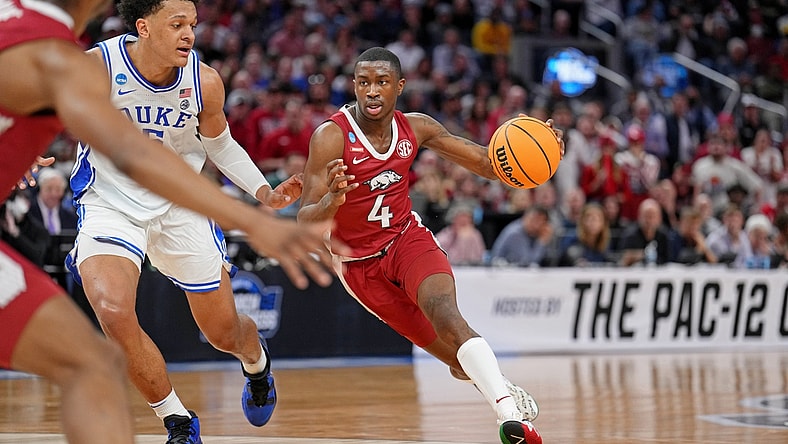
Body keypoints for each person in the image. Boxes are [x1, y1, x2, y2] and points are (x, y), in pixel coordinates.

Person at [0, 1, 338, 443]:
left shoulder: (205, 82)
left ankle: (256, 365)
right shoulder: (93, 65)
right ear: (144, 26)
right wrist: (21, 143)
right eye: (177, 24)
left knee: (224, 333)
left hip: (182, 206)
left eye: (192, 25)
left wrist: (263, 193)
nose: (188, 34)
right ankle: (177, 420)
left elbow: (221, 146)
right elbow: (102, 138)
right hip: (111, 203)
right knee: (112, 309)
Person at [297, 47, 563, 444]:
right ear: (353, 86)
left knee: (447, 316)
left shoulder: (417, 127)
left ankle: (511, 419)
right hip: (359, 265)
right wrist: (331, 202)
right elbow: (304, 221)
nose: (372, 91)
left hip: (407, 239)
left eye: (382, 82)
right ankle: (500, 386)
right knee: (457, 361)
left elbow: (490, 165)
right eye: (364, 82)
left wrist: (540, 149)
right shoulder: (331, 137)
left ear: (399, 87)